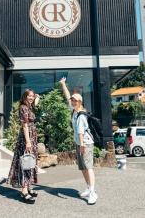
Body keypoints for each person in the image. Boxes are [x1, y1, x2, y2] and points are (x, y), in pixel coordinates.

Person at [59, 77, 97, 205]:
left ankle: (92, 193)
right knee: (83, 168)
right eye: (72, 100)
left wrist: (81, 145)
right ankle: (88, 187)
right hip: (79, 143)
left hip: (85, 144)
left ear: (80, 102)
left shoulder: (81, 114)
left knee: (89, 167)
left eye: (75, 101)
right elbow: (67, 96)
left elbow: (81, 132)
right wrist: (63, 84)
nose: (73, 102)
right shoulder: (74, 112)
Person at [7, 89, 39, 203]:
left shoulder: (29, 106)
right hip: (27, 138)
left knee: (30, 162)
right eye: (29, 96)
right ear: (24, 96)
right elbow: (25, 125)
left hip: (32, 136)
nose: (31, 98)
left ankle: (28, 187)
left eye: (32, 96)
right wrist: (28, 141)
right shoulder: (23, 108)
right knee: (25, 162)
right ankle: (24, 191)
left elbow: (35, 102)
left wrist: (37, 97)